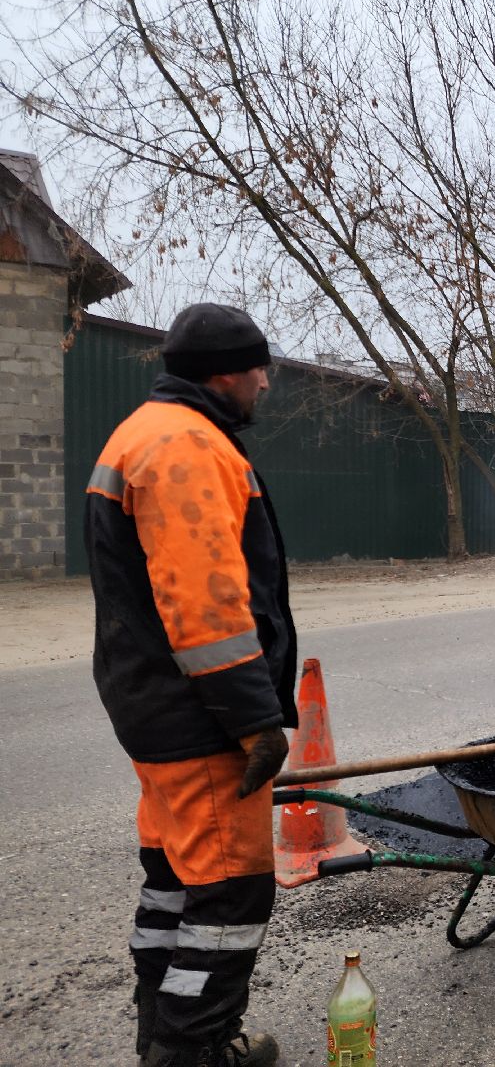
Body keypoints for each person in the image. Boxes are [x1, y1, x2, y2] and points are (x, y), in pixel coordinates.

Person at [85, 304, 296, 1066]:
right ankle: (192, 1053)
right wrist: (254, 723)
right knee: (229, 897)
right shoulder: (186, 446)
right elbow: (206, 608)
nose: (265, 383)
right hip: (197, 717)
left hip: (151, 705)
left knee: (174, 881)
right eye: (259, 369)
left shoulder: (141, 429)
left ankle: (159, 1035)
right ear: (225, 373)